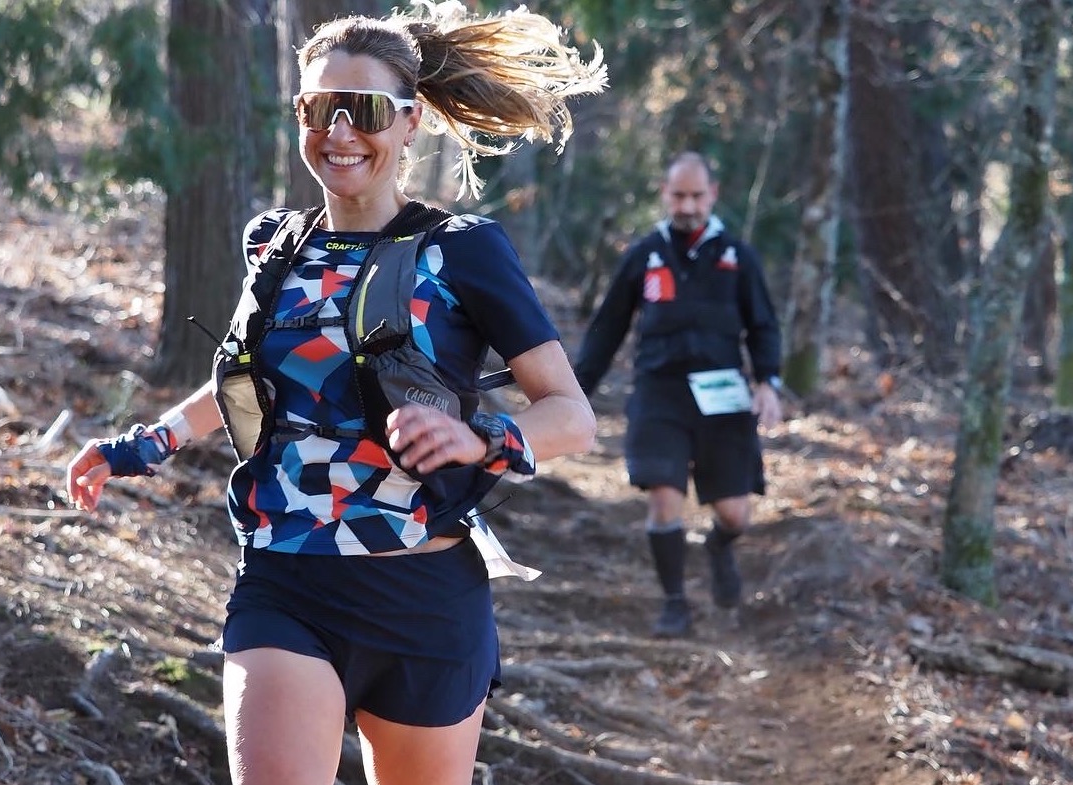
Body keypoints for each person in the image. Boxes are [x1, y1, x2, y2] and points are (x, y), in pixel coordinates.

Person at [65, 4, 604, 783]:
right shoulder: (273, 244)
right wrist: (140, 444)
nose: (340, 131)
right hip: (287, 577)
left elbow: (572, 415)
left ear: (410, 123)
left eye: (366, 110)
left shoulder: (462, 251)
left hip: (424, 594)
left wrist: (481, 435)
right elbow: (247, 380)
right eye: (320, 109)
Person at [573, 151, 783, 639]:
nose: (687, 205)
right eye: (678, 195)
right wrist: (574, 391)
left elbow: (764, 325)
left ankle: (719, 546)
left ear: (712, 195)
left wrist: (768, 381)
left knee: (736, 513)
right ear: (665, 195)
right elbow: (608, 329)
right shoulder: (645, 253)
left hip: (724, 397)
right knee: (664, 499)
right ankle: (674, 604)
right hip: (659, 393)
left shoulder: (737, 257)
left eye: (696, 195)